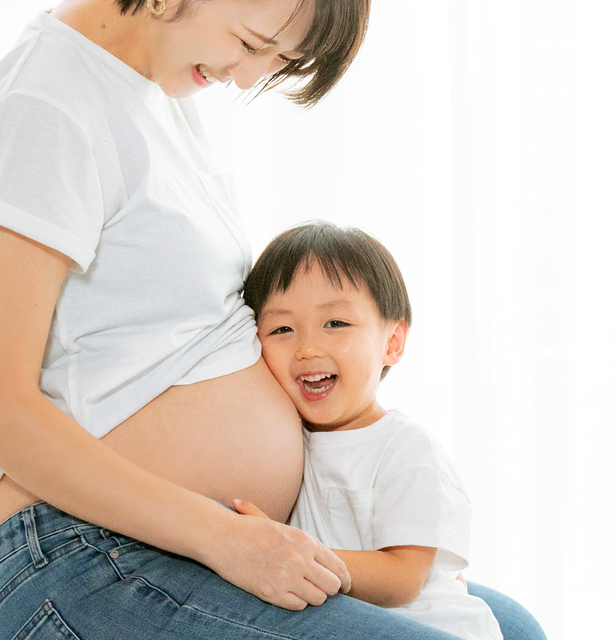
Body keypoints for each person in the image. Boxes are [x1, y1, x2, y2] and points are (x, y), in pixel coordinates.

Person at [0, 1, 545, 638]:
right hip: (76, 544)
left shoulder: (157, 89)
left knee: (514, 627)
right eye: (251, 42)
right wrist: (222, 537)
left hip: (178, 538)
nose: (245, 77)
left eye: (277, 60)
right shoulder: (49, 100)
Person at [240, 222, 500, 640]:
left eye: (335, 323)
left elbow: (402, 578)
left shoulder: (406, 449)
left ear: (392, 342)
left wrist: (284, 550)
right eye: (282, 329)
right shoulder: (285, 442)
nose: (307, 348)